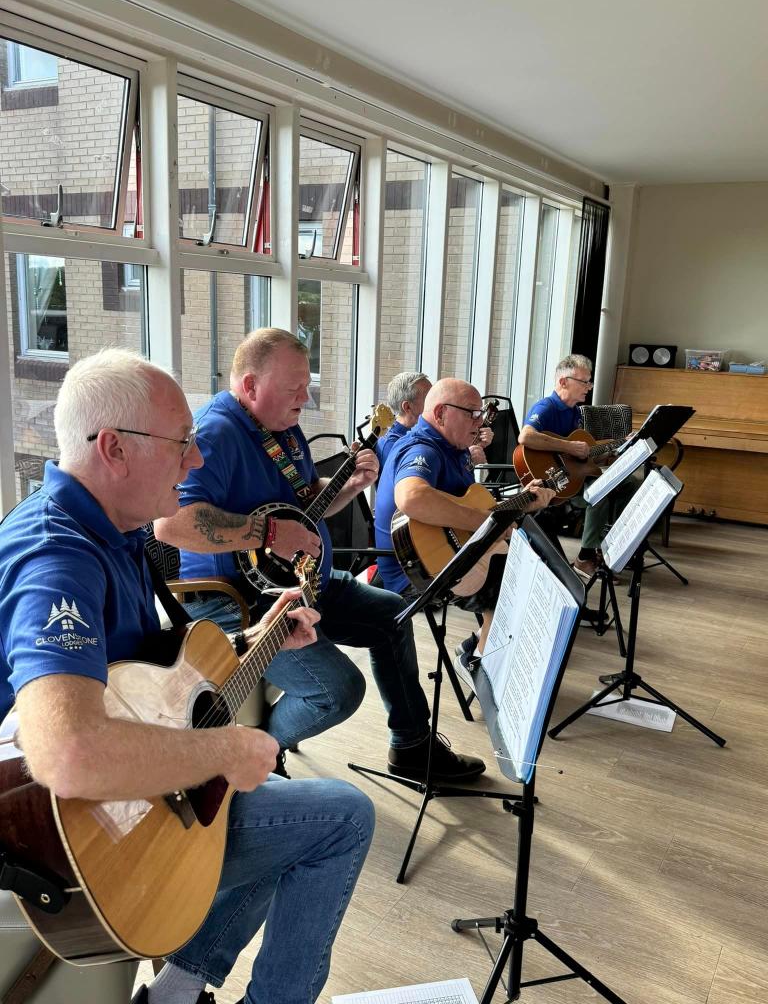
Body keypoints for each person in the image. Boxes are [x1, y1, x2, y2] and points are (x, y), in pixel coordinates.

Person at [0, 349, 375, 1004]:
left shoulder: (116, 531)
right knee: (341, 816)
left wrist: (255, 641)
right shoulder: (55, 559)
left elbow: (143, 672)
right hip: (89, 839)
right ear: (113, 448)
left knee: (266, 796)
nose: (196, 461)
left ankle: (175, 990)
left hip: (128, 796)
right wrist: (227, 748)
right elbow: (68, 753)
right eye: (182, 444)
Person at [154, 328, 484, 783]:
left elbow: (304, 502)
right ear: (250, 386)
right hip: (238, 604)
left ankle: (412, 747)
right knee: (339, 690)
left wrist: (348, 487)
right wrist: (267, 532)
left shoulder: (282, 427)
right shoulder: (215, 433)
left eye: (307, 386)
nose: (305, 399)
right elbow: (171, 524)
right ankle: (249, 758)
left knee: (394, 616)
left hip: (307, 585)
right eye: (295, 389)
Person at [374, 378, 555, 666]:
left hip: (448, 551)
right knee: (518, 580)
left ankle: (478, 647)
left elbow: (466, 506)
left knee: (529, 555)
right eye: (471, 412)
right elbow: (412, 497)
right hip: (413, 568)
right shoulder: (423, 449)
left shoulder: (452, 447)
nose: (480, 420)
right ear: (440, 414)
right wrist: (485, 523)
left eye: (480, 412)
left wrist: (521, 503)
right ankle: (478, 663)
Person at [518, 354, 640, 581]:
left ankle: (609, 548)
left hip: (573, 476)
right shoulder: (546, 407)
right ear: (563, 382)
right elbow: (526, 437)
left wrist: (616, 446)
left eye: (589, 382)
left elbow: (582, 455)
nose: (588, 387)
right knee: (599, 492)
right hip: (553, 481)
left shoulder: (575, 412)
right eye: (584, 382)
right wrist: (569, 446)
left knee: (629, 485)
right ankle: (584, 559)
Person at [376, 371, 493, 469]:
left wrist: (474, 443)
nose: (436, 401)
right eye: (429, 398)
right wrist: (468, 461)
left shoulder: (430, 436)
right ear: (407, 407)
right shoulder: (391, 445)